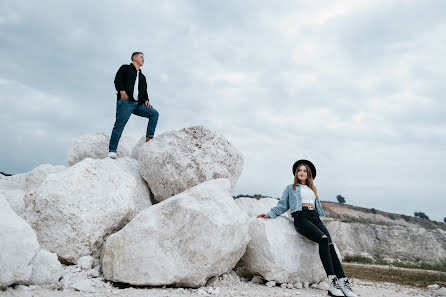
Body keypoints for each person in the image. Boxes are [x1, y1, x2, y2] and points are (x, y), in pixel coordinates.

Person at [257, 160, 357, 297]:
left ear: (308, 174)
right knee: (323, 239)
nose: (302, 172)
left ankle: (344, 283)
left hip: (314, 217)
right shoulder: (291, 188)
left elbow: (316, 207)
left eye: (304, 170)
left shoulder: (312, 189)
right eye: (299, 170)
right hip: (301, 217)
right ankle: (332, 283)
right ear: (296, 173)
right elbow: (282, 205)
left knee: (330, 245)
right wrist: (270, 214)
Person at [108, 52, 159, 158]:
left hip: (138, 104)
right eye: (141, 57)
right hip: (126, 102)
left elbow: (144, 90)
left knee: (154, 113)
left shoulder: (142, 76)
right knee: (119, 125)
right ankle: (112, 150)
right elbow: (118, 80)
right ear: (134, 58)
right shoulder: (125, 68)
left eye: (144, 58)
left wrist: (146, 100)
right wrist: (122, 91)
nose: (143, 59)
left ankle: (149, 140)